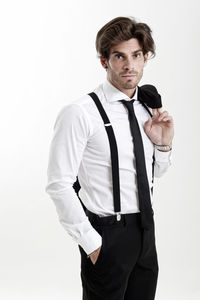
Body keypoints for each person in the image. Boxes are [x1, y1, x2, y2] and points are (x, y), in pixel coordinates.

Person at [45, 16, 174, 300]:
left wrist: (163, 146)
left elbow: (148, 175)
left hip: (146, 231)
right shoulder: (79, 113)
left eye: (136, 55)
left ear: (145, 58)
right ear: (104, 61)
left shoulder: (147, 109)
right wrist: (91, 243)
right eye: (119, 56)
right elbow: (59, 183)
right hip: (107, 234)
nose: (129, 65)